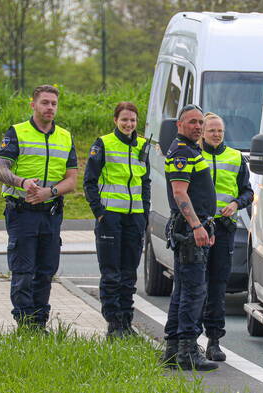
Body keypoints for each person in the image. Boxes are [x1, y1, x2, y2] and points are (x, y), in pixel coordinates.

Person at [0, 85, 78, 332]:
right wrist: (22, 182)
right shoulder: (17, 132)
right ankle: (25, 325)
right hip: (22, 212)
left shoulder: (65, 136)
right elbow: (0, 170)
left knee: (45, 271)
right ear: (33, 105)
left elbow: (71, 180)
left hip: (50, 213)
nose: (49, 107)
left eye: (53, 103)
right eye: (45, 102)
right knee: (23, 271)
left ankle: (40, 324)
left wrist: (48, 193)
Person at [83, 101, 151, 339]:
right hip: (110, 217)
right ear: (115, 120)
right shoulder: (103, 143)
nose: (128, 124)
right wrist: (99, 212)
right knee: (111, 274)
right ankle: (113, 325)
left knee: (129, 275)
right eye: (124, 119)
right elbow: (89, 181)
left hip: (135, 219)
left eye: (132, 120)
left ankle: (126, 322)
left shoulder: (143, 145)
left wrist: (145, 214)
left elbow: (145, 182)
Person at [161, 105, 218, 371]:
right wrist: (197, 226)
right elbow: (180, 194)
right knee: (194, 292)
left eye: (200, 123)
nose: (197, 127)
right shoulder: (182, 151)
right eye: (192, 122)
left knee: (183, 290)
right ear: (180, 124)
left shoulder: (190, 149)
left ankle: (173, 348)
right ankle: (187, 350)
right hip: (188, 230)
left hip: (192, 228)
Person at [199, 113, 254, 362]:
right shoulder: (193, 155)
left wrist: (236, 203)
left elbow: (248, 192)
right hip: (198, 227)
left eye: (220, 131)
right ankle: (190, 337)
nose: (216, 134)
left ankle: (214, 341)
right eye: (211, 130)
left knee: (218, 285)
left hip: (224, 228)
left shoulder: (235, 157)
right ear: (202, 132)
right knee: (196, 284)